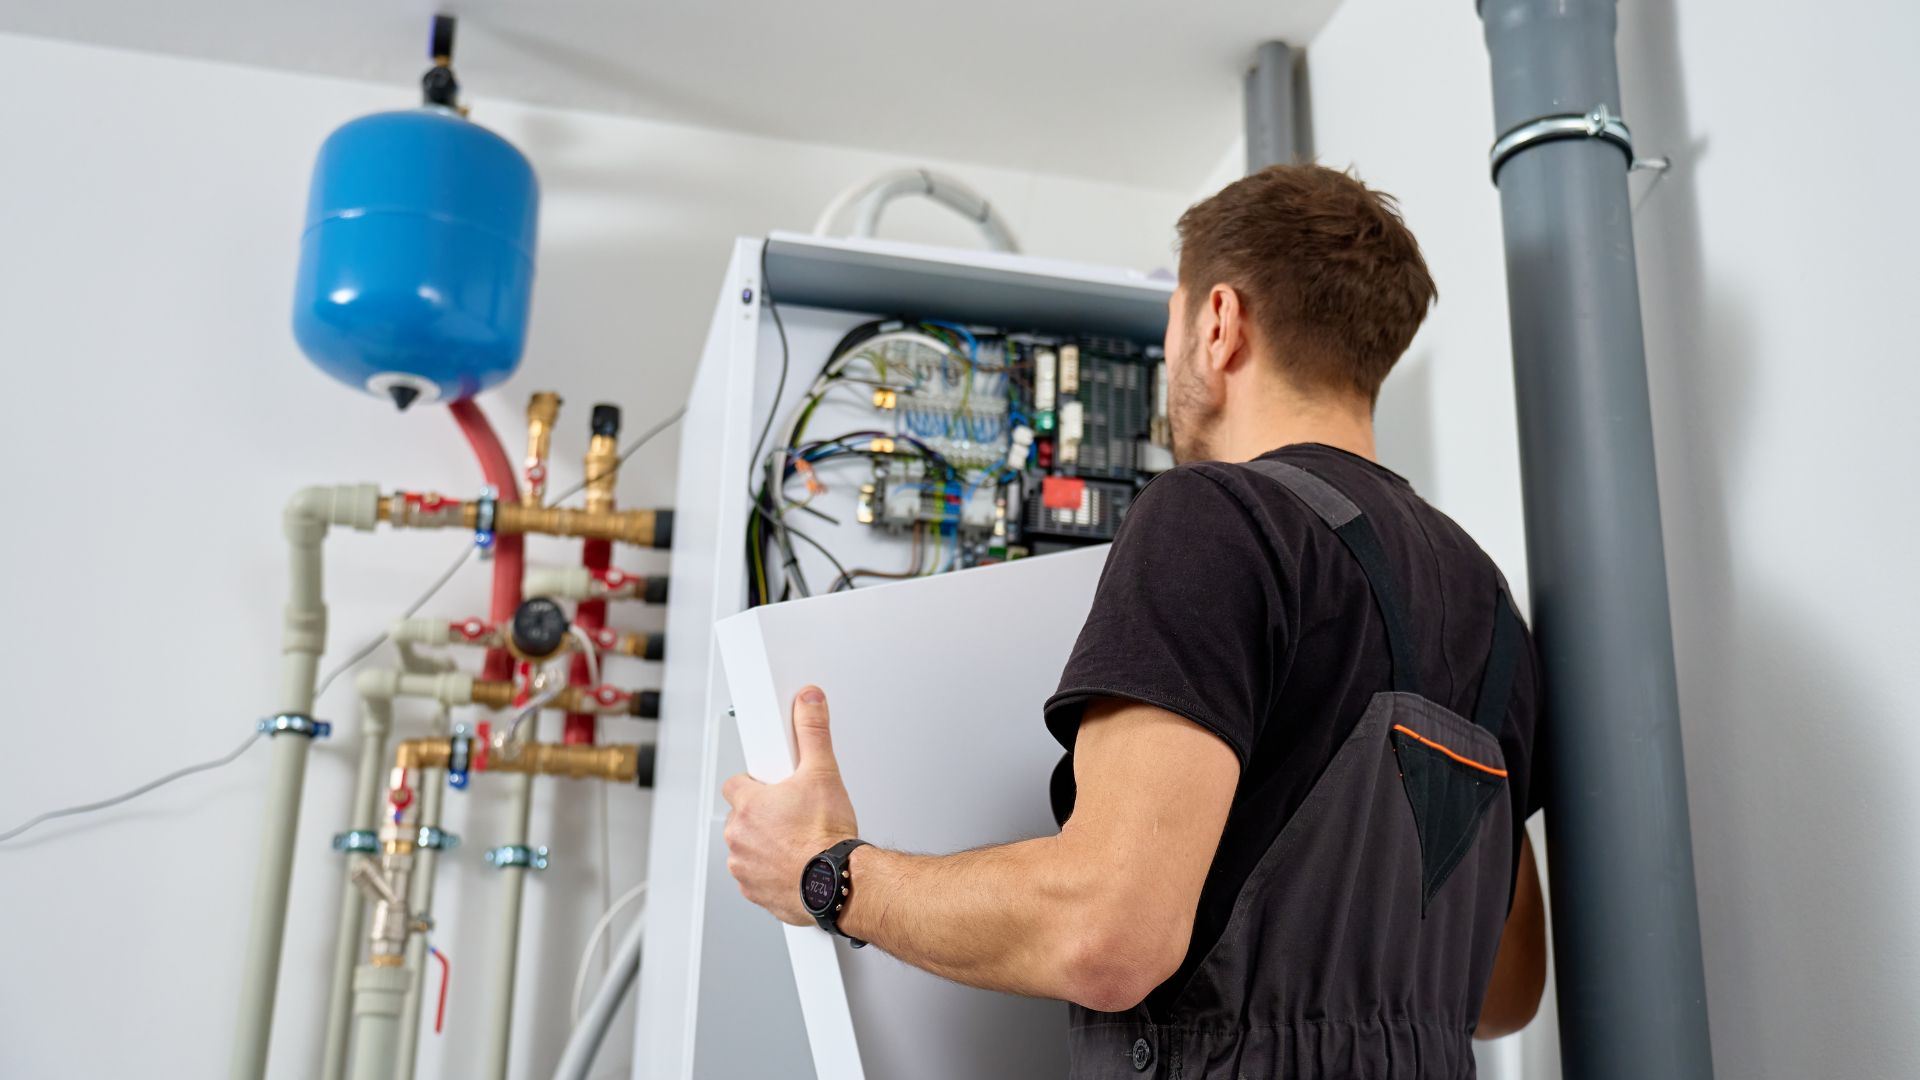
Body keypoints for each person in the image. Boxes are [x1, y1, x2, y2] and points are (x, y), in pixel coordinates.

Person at [722, 164, 1548, 1079]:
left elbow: (1105, 934)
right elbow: (1504, 991)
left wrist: (825, 872)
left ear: (1220, 324)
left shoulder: (1219, 515)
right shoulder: (1492, 608)